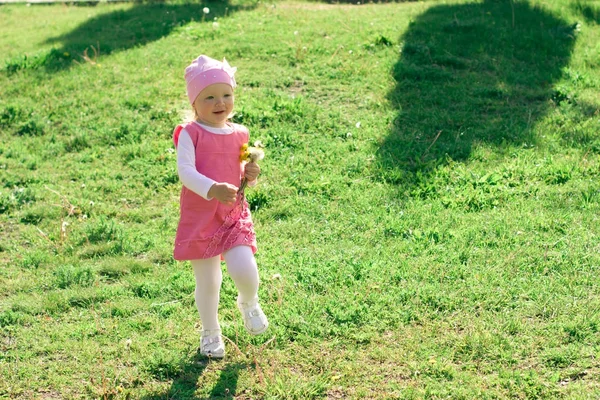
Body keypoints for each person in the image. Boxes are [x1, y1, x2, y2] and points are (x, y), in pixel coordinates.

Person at [172, 55, 268, 358]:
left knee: (245, 267)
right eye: (209, 97)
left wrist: (249, 176)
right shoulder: (190, 133)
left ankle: (248, 301)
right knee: (209, 280)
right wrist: (211, 188)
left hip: (232, 214)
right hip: (201, 215)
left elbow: (239, 172)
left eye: (226, 94)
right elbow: (185, 171)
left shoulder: (240, 133)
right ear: (194, 103)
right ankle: (211, 332)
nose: (219, 102)